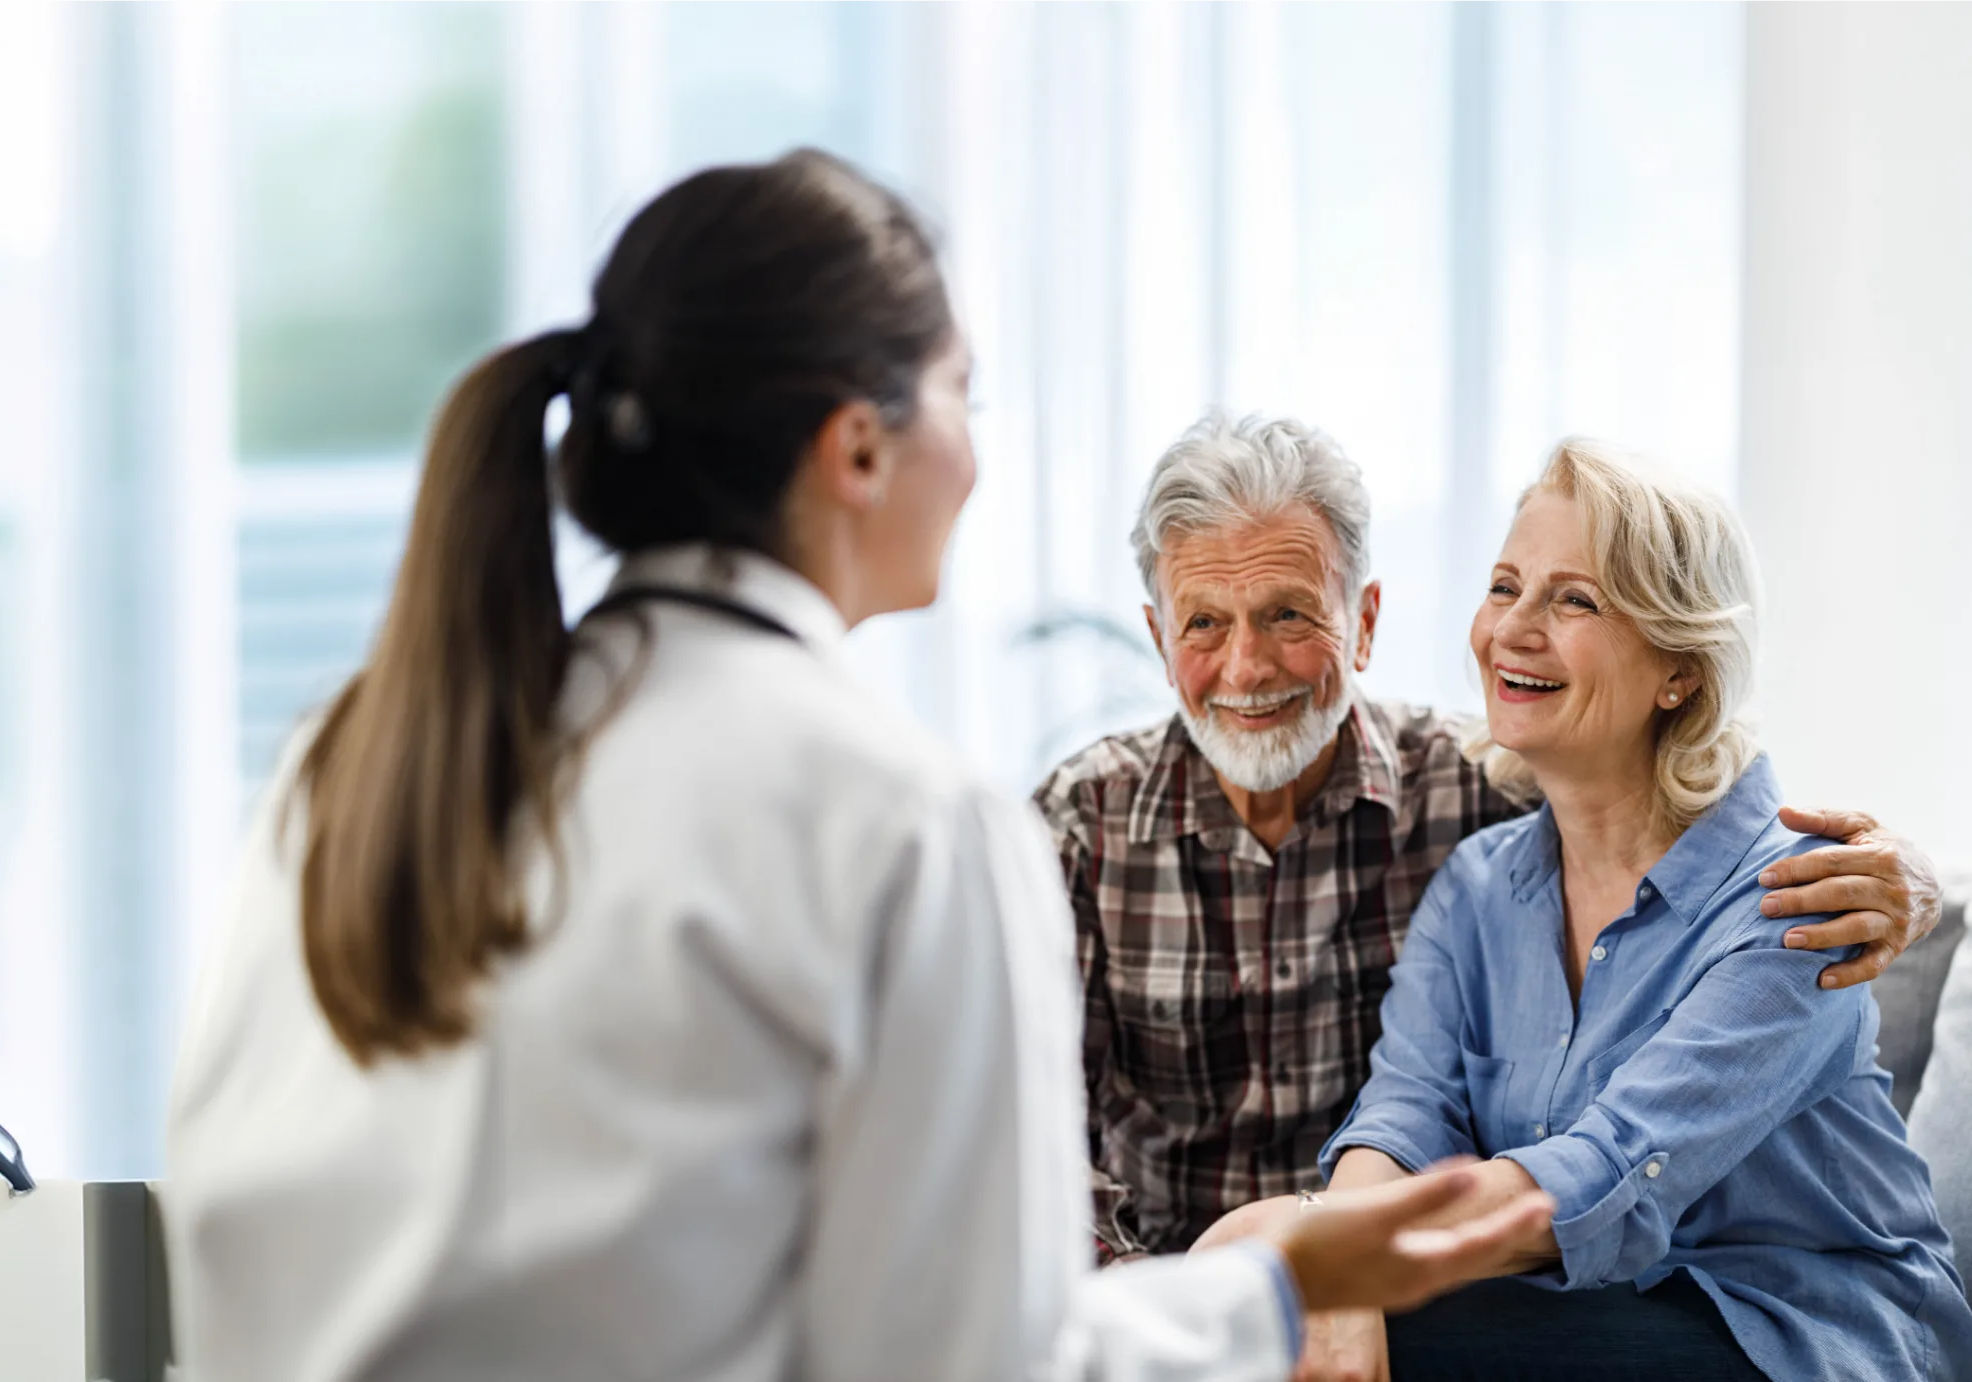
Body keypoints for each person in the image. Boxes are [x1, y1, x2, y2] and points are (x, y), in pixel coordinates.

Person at [162, 149, 1552, 1382]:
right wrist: (1285, 1283)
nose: (977, 449)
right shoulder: (906, 822)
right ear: (859, 446)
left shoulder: (355, 754)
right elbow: (983, 1360)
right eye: (966, 391)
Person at [1034, 416, 1945, 1278]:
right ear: (1158, 637)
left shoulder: (1472, 783)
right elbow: (1022, 1135)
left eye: (1288, 615)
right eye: (1203, 623)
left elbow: (1661, 782)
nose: (1245, 667)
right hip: (1183, 1279)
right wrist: (1171, 1312)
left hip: (1412, 1267)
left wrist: (1913, 873)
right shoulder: (1080, 823)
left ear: (1364, 624)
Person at [1207, 439, 1972, 1381]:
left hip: (1796, 1330)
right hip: (1592, 1311)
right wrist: (1337, 1253)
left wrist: (1323, 1239)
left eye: (1575, 600)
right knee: (1280, 1307)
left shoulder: (1797, 897)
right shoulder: (1480, 884)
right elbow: (1407, 1113)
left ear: (1680, 670)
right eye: (1504, 587)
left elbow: (1617, 1172)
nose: (1512, 631)